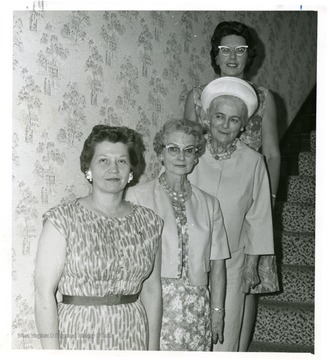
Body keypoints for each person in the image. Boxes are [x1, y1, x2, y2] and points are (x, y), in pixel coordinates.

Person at [184, 20, 280, 351]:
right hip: (205, 204)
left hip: (246, 200)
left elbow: (272, 153)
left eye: (241, 50)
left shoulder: (264, 98)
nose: (233, 56)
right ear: (215, 54)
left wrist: (266, 200)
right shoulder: (198, 97)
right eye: (226, 49)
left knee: (243, 287)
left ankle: (236, 351)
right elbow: (186, 146)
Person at [34, 125, 163, 350]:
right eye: (103, 160)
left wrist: (153, 351)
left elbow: (152, 292)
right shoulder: (62, 219)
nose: (113, 169)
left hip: (132, 335)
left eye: (121, 161)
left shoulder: (150, 222)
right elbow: (43, 294)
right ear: (88, 168)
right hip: (78, 335)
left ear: (131, 169)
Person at [126, 119, 230, 351]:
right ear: (160, 153)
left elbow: (219, 264)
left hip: (195, 307)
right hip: (152, 301)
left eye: (188, 150)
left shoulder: (210, 204)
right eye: (173, 149)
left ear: (196, 156)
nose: (181, 157)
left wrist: (217, 312)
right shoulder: (137, 197)